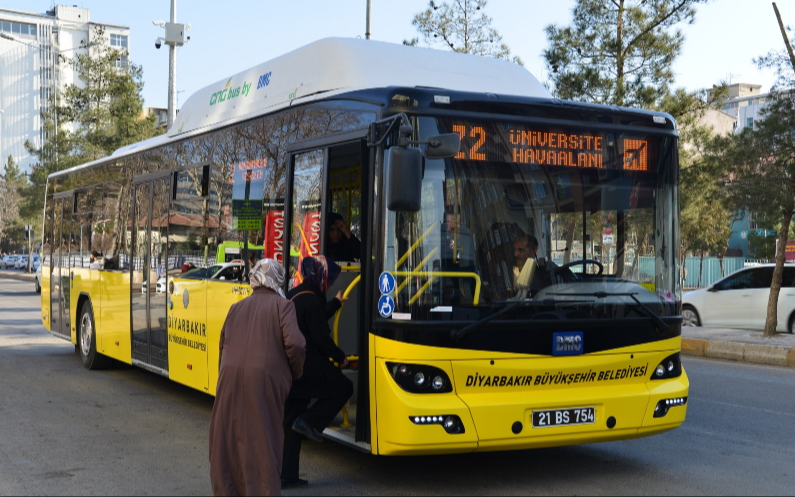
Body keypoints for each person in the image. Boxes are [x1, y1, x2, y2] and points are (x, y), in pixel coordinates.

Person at [208, 259, 306, 496]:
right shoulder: (284, 306)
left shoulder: (236, 307)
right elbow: (296, 344)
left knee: (229, 439)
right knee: (263, 441)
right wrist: (293, 373)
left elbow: (223, 343)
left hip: (229, 379)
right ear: (277, 279)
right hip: (264, 382)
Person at [282, 255, 353, 490]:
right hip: (309, 367)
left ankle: (287, 475)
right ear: (320, 277)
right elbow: (321, 337)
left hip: (290, 368)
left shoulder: (295, 294)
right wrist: (340, 356)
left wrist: (335, 303)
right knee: (344, 388)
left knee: (291, 421)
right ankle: (311, 422)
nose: (330, 283)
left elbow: (315, 317)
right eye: (329, 279)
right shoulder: (312, 301)